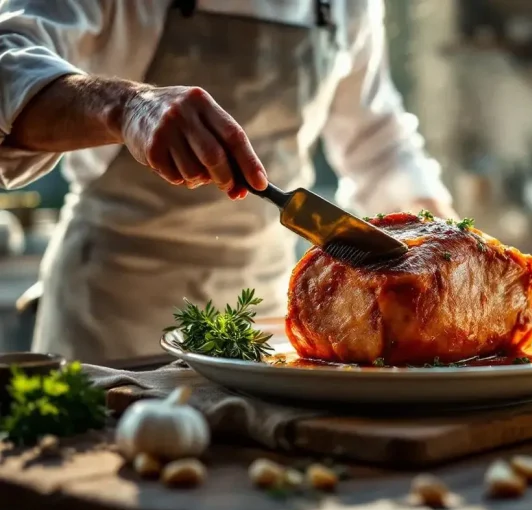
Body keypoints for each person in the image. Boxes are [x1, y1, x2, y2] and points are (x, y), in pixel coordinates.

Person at [0, 0, 457, 363]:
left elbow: (378, 145)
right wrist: (126, 105)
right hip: (112, 320)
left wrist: (448, 249)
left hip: (263, 323)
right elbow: (8, 62)